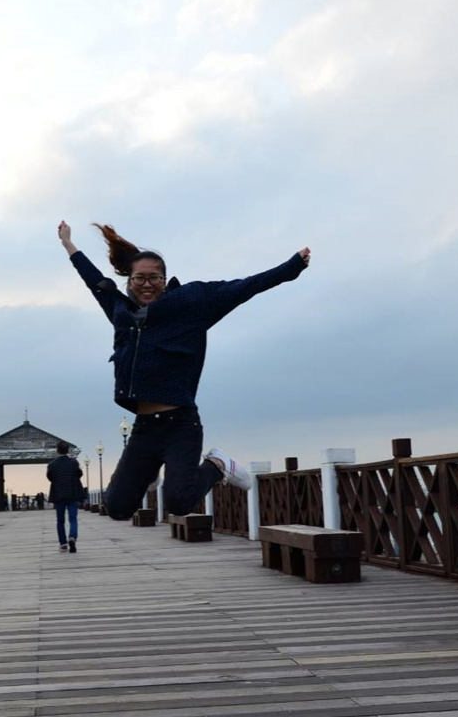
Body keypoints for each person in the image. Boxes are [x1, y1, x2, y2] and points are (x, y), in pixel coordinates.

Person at [57, 220, 311, 520]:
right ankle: (148, 472)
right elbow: (92, 279)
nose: (147, 284)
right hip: (144, 428)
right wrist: (69, 245)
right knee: (117, 508)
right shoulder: (120, 312)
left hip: (181, 424)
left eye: (155, 278)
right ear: (129, 281)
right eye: (140, 278)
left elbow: (244, 288)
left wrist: (292, 266)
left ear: (165, 280)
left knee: (180, 502)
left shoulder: (190, 303)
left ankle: (217, 466)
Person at [46, 441, 84, 552]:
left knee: (60, 520)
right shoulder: (74, 463)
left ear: (57, 450)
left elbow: (50, 478)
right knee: (73, 518)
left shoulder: (52, 465)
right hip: (73, 493)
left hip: (59, 495)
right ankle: (72, 536)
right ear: (68, 450)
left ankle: (63, 544)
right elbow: (79, 474)